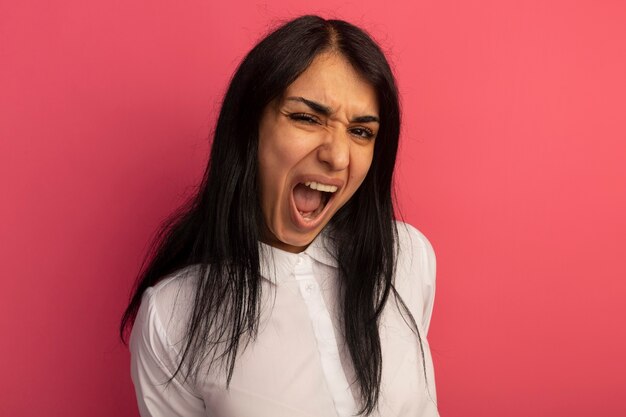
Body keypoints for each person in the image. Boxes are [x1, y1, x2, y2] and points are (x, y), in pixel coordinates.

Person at [120, 14, 439, 417]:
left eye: (361, 131)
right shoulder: (171, 315)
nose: (337, 156)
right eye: (307, 118)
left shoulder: (407, 257)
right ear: (248, 127)